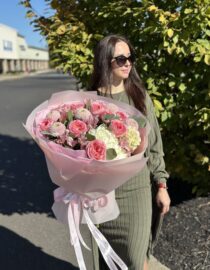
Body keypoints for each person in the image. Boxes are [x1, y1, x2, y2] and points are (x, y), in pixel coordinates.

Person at [89, 34, 171, 270]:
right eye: (121, 58)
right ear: (105, 61)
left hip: (136, 193)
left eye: (130, 57)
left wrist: (161, 185)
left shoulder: (140, 97)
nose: (128, 63)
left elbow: (155, 146)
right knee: (109, 261)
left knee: (136, 259)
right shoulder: (90, 101)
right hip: (104, 196)